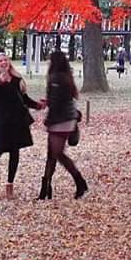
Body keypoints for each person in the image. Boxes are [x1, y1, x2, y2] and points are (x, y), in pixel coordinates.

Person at [0, 53, 45, 199]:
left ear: (9, 62)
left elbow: (25, 100)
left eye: (5, 60)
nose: (3, 63)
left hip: (17, 122)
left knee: (14, 153)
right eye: (0, 61)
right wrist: (1, 82)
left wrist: (39, 105)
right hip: (2, 123)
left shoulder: (17, 80)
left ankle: (10, 185)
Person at [39, 51, 88, 199]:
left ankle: (80, 182)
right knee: (51, 153)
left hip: (61, 120)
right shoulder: (66, 77)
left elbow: (57, 103)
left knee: (57, 154)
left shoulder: (56, 78)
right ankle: (45, 188)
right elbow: (62, 99)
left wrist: (48, 119)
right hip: (66, 118)